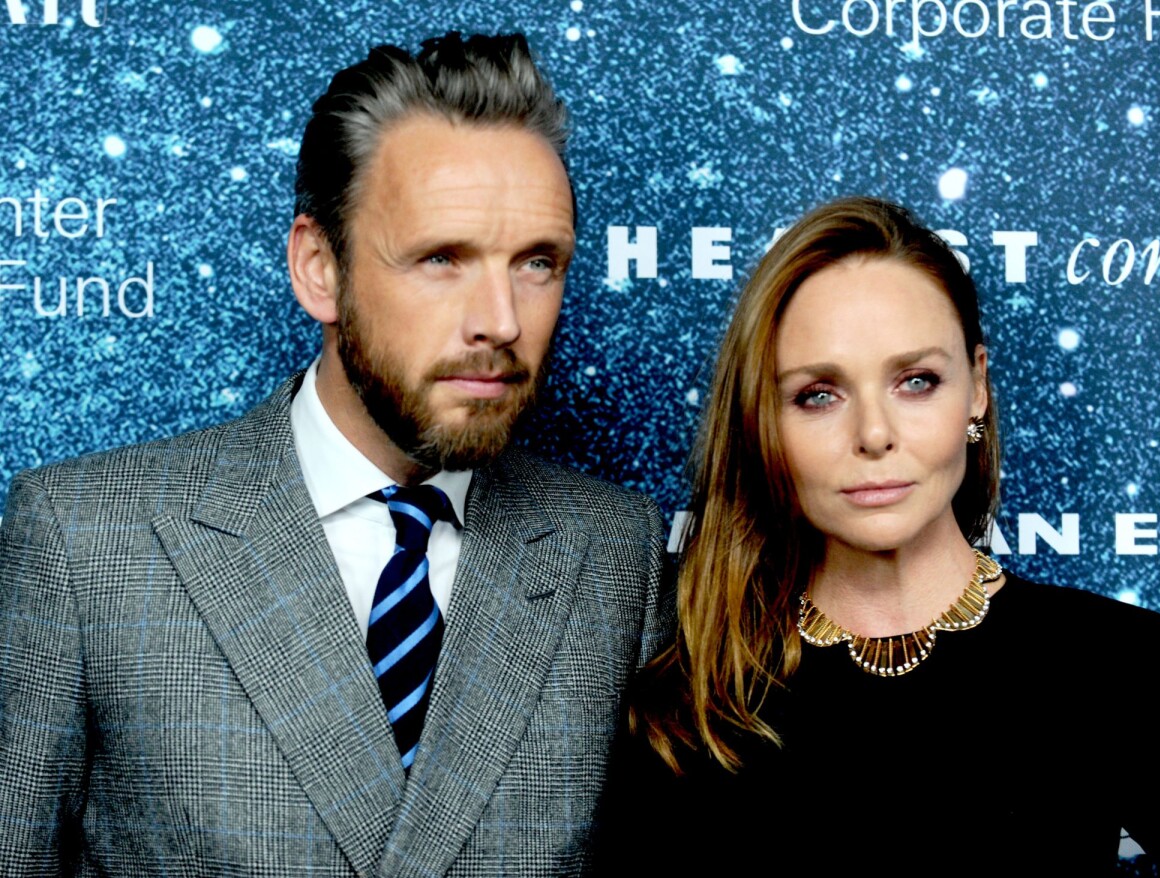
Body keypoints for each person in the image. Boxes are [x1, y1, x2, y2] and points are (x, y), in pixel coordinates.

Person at [0, 33, 670, 877]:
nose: (501, 318)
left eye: (538, 262)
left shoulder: (615, 551)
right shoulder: (85, 540)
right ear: (320, 268)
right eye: (442, 258)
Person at [595, 196, 1160, 876]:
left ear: (976, 388)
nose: (874, 434)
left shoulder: (1121, 664)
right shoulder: (686, 706)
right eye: (819, 394)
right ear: (764, 421)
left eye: (916, 381)